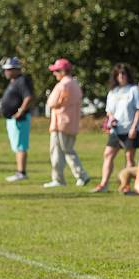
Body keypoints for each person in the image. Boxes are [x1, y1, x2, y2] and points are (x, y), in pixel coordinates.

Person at [92, 63, 139, 193]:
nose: (121, 76)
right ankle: (104, 184)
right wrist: (111, 119)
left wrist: (134, 127)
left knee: (129, 158)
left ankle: (126, 185)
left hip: (130, 129)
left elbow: (138, 109)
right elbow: (109, 111)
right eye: (119, 74)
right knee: (108, 154)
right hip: (116, 130)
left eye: (124, 73)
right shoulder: (113, 92)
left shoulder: (134, 90)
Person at [44, 58, 90, 188]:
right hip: (71, 122)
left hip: (61, 123)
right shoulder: (75, 84)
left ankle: (72, 176)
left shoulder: (63, 85)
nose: (55, 74)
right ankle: (73, 176)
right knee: (67, 150)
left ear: (63, 71)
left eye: (56, 71)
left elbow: (52, 102)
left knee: (59, 151)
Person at [0, 57, 33, 182]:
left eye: (10, 69)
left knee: (20, 146)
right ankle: (19, 172)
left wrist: (20, 111)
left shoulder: (22, 80)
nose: (6, 72)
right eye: (6, 70)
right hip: (12, 119)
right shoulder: (14, 81)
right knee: (17, 146)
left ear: (17, 69)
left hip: (20, 119)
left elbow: (28, 97)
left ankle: (21, 172)